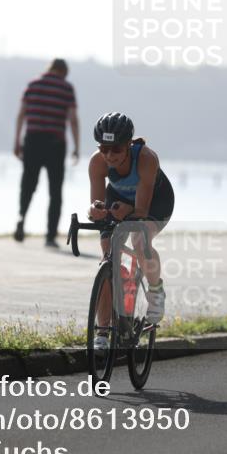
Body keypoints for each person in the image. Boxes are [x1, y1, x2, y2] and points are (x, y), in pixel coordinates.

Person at [86, 113, 174, 346]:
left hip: (155, 202)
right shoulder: (97, 162)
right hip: (119, 200)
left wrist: (129, 210)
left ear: (128, 145)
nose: (109, 155)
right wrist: (96, 210)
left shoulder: (146, 159)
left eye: (115, 149)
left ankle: (156, 291)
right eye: (104, 148)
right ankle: (102, 332)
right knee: (107, 258)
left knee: (139, 240)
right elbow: (98, 203)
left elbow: (142, 210)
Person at [13, 58, 80, 247]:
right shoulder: (66, 88)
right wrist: (77, 147)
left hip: (32, 140)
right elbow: (73, 120)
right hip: (55, 143)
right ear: (64, 72)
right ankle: (50, 237)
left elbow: (21, 115)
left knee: (28, 184)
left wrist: (17, 142)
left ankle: (21, 218)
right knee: (55, 191)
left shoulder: (33, 85)